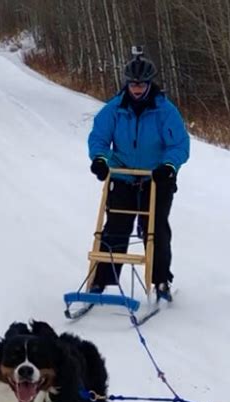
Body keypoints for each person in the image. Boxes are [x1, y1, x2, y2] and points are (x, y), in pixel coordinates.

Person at [88, 48, 190, 302]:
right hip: (123, 174)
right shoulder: (114, 108)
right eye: (132, 84)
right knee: (115, 226)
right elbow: (99, 137)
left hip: (156, 178)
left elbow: (179, 144)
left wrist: (169, 165)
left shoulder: (164, 110)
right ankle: (101, 281)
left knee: (154, 228)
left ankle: (161, 281)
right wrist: (100, 159)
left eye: (141, 84)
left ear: (149, 84)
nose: (136, 89)